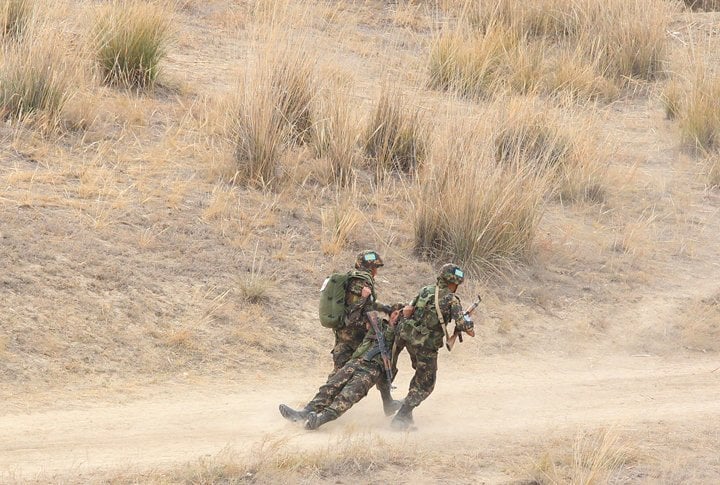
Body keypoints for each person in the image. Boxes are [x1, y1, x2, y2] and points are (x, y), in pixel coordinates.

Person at [280, 250, 401, 423]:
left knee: (343, 374)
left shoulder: (351, 278)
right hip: (356, 337)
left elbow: (366, 304)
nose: (377, 271)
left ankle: (310, 412)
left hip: (343, 335)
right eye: (376, 267)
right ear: (370, 267)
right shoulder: (362, 281)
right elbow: (355, 311)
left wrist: (385, 309)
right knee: (358, 371)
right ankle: (312, 412)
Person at [280, 310, 398, 430]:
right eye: (395, 313)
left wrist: (397, 325)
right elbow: (361, 315)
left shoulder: (401, 332)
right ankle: (302, 414)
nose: (397, 317)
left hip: (373, 369)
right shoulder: (378, 323)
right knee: (330, 386)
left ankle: (320, 420)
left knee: (348, 395)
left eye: (401, 315)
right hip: (356, 361)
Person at [390, 263, 474, 430]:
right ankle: (400, 418)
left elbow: (409, 309)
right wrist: (469, 320)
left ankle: (407, 414)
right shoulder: (451, 299)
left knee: (419, 377)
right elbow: (465, 326)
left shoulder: (425, 290)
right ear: (453, 282)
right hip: (426, 346)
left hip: (410, 340)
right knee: (427, 383)